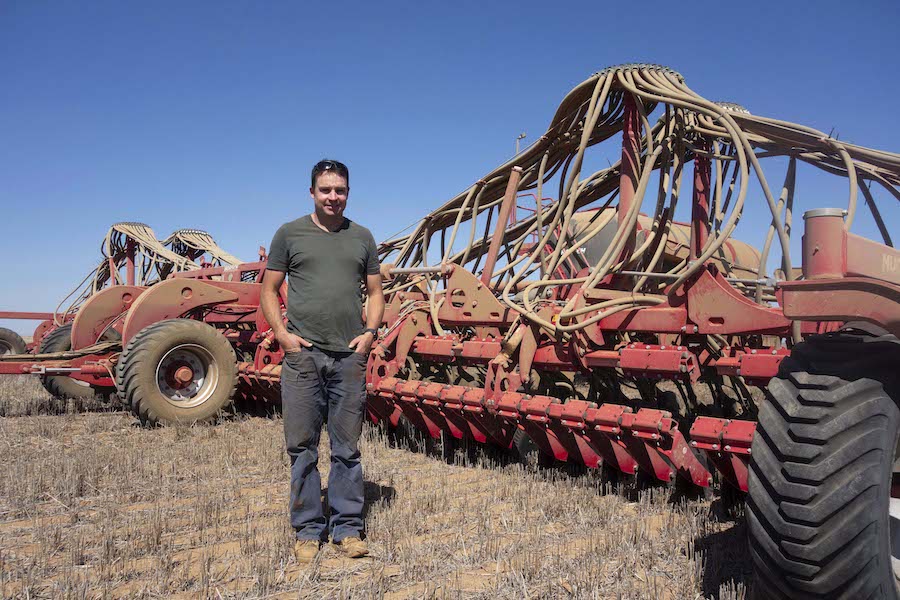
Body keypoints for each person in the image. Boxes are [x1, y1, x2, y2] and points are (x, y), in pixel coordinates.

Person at [260, 159, 384, 564]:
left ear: (348, 192)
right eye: (326, 190)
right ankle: (308, 530)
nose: (334, 197)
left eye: (340, 190)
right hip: (303, 357)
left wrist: (369, 334)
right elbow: (270, 288)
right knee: (303, 447)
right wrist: (282, 335)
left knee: (347, 448)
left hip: (349, 357)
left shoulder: (362, 237)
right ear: (312, 192)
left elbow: (376, 292)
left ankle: (347, 528)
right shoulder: (290, 234)